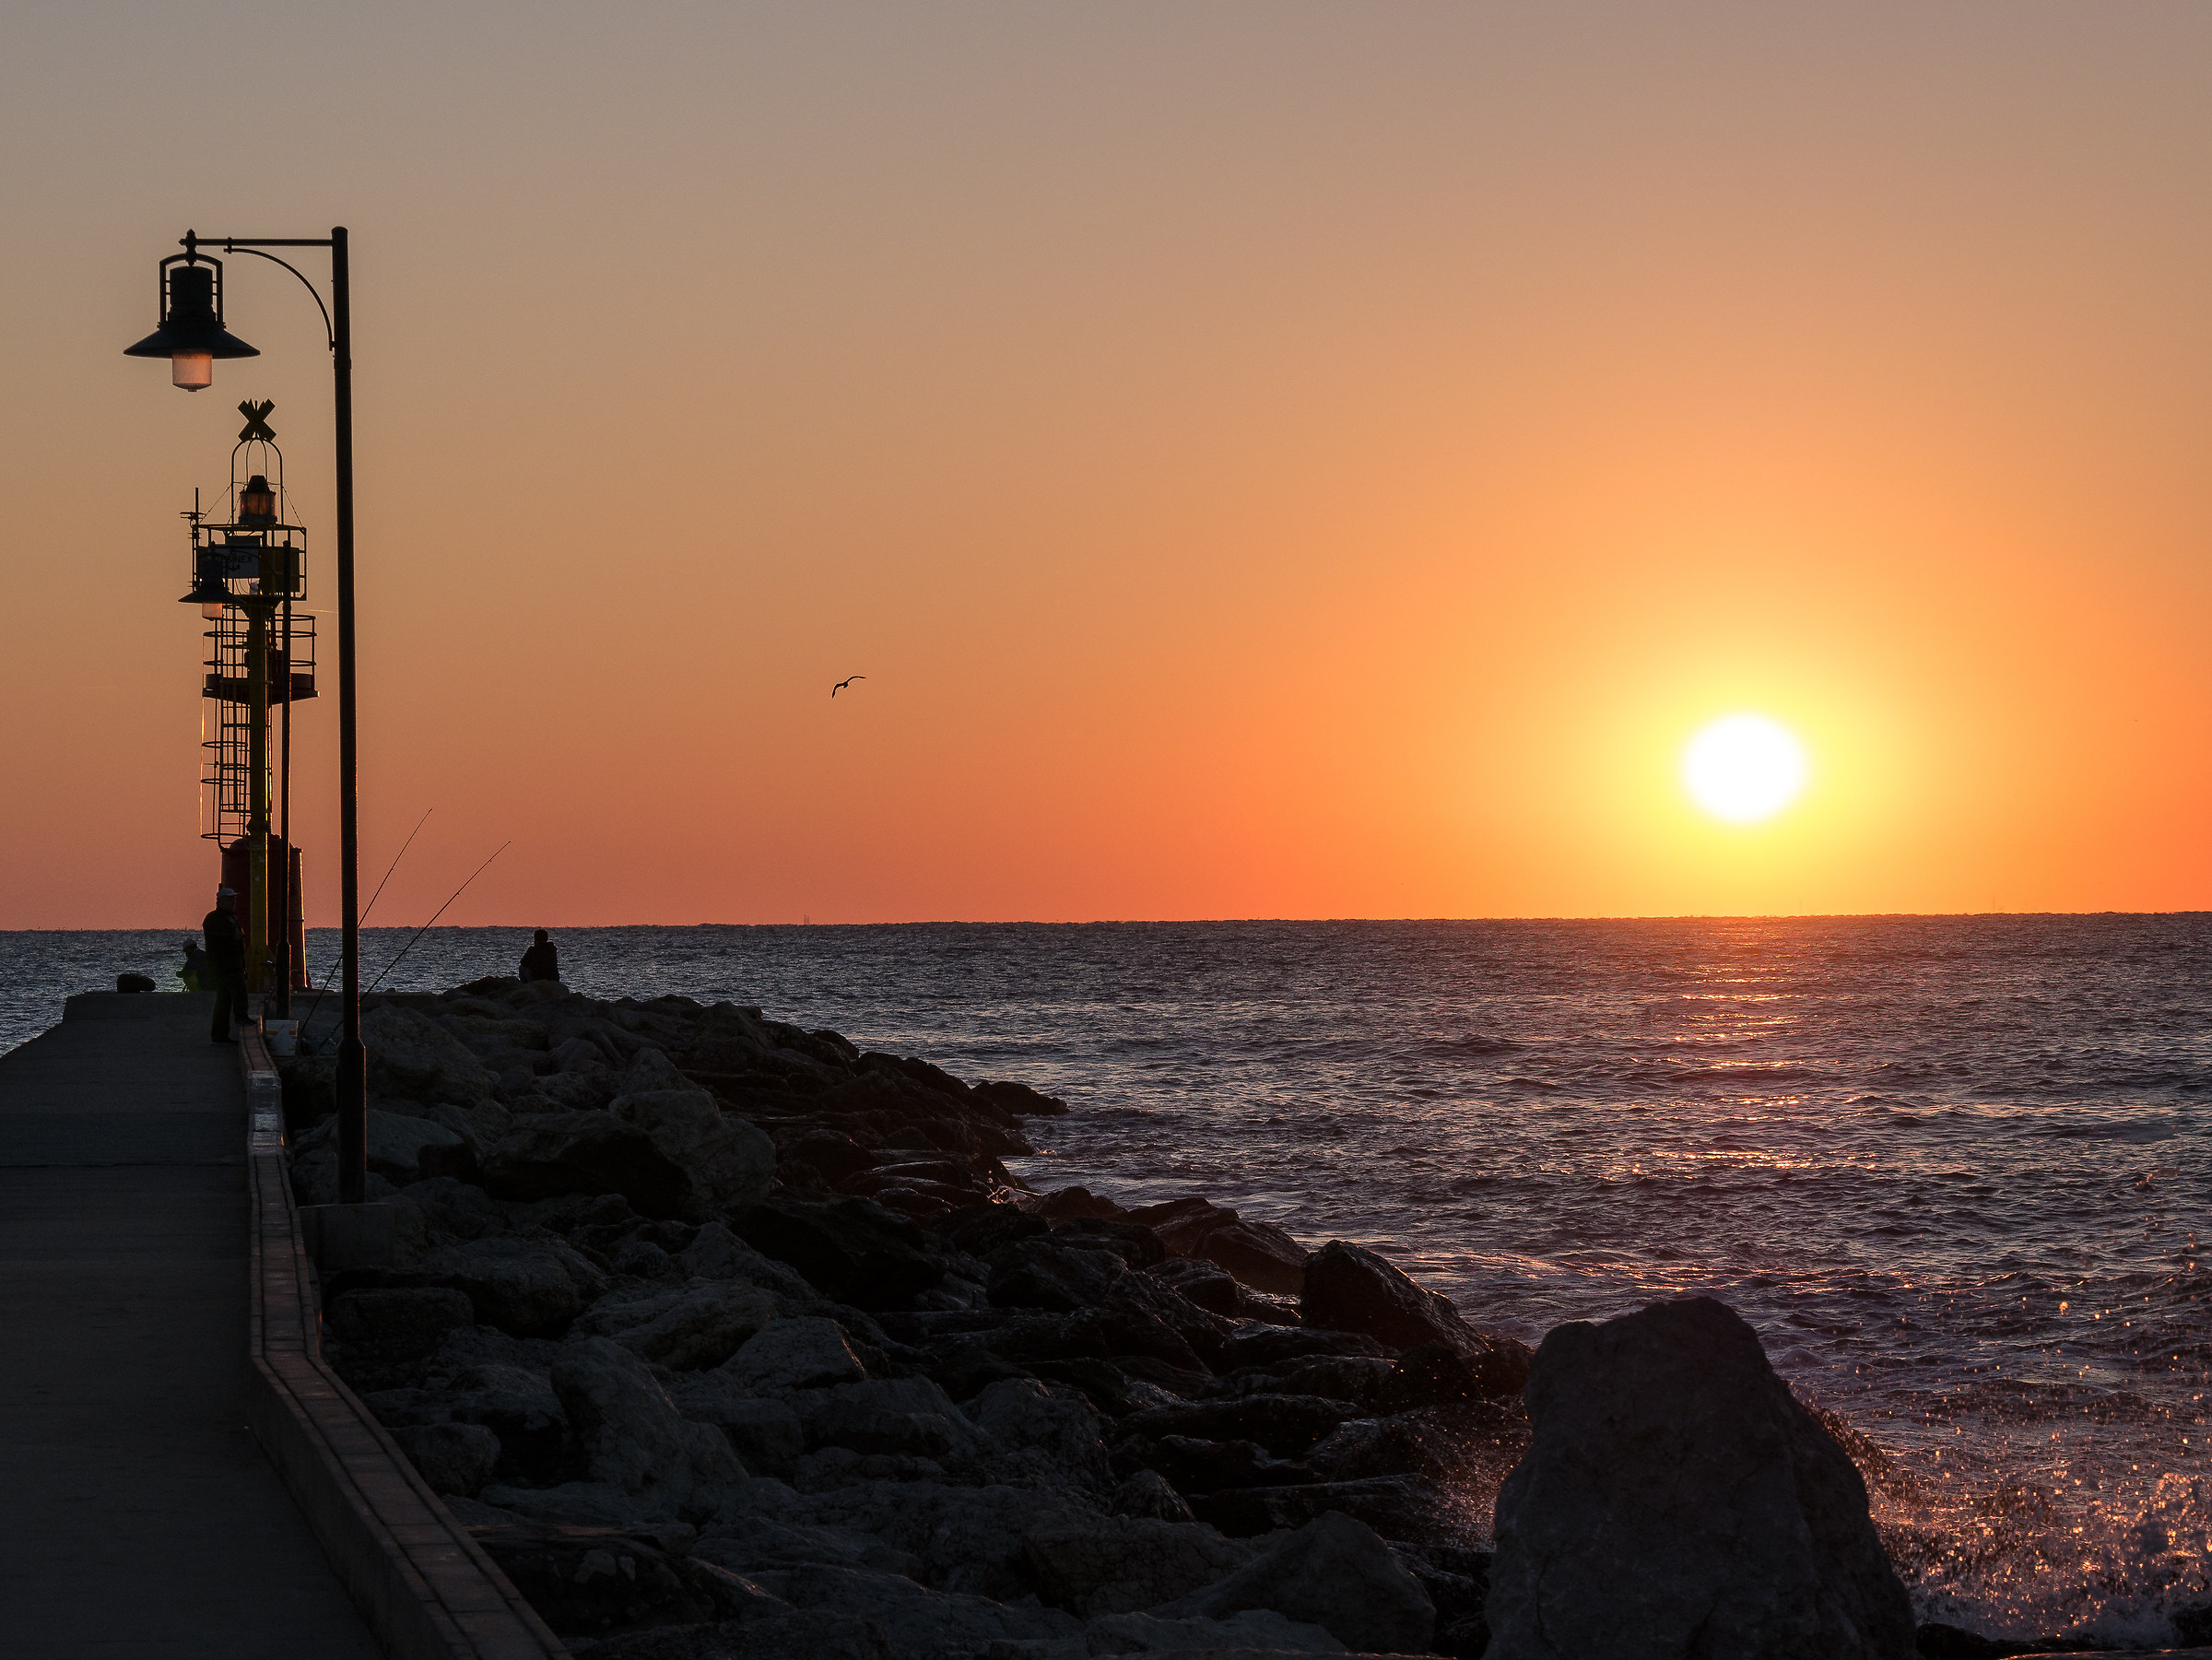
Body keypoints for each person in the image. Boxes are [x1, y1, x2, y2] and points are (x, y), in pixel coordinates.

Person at [203, 887, 248, 1042]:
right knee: (225, 999)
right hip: (222, 966)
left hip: (233, 964)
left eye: (233, 899)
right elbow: (225, 938)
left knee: (228, 998)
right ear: (220, 901)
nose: (233, 902)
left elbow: (237, 939)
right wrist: (233, 936)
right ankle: (223, 1031)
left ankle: (223, 1031)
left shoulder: (232, 918)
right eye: (229, 899)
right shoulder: (213, 919)